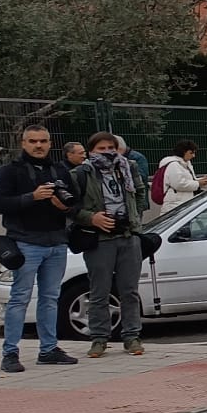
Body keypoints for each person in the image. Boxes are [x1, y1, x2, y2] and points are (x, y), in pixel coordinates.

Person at [0, 122, 79, 372]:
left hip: (57, 243)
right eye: (33, 141)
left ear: (50, 143)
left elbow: (74, 204)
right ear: (23, 143)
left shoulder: (59, 170)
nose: (38, 145)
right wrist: (32, 197)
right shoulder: (11, 171)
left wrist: (66, 208)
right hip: (26, 243)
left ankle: (48, 349)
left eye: (43, 141)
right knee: (19, 298)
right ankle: (10, 353)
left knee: (51, 298)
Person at [71, 132, 151, 356]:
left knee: (129, 291)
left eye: (110, 148)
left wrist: (134, 218)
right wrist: (92, 218)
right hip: (100, 239)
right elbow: (71, 208)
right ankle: (99, 338)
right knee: (99, 292)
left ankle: (132, 336)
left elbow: (140, 192)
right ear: (91, 151)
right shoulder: (81, 173)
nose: (107, 152)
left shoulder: (128, 167)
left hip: (128, 235)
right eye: (101, 148)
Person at [149, 140, 207, 220]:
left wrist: (201, 181)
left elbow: (188, 180)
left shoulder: (185, 163)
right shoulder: (173, 165)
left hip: (182, 202)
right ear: (183, 152)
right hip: (175, 203)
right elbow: (179, 184)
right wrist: (198, 183)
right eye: (191, 153)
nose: (193, 156)